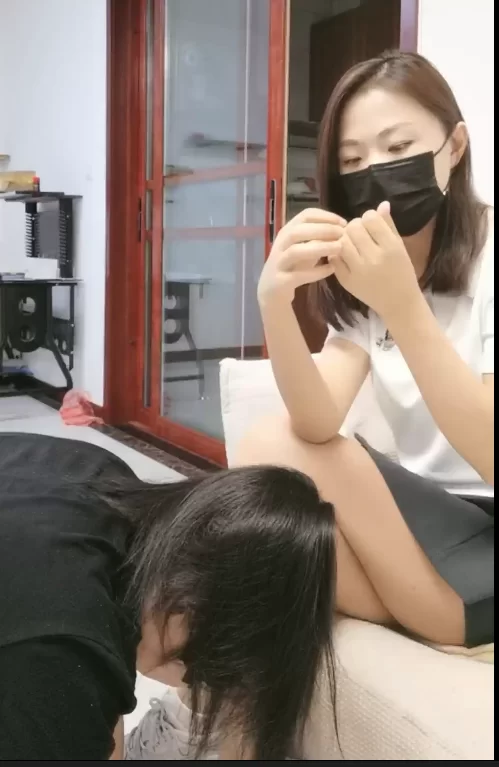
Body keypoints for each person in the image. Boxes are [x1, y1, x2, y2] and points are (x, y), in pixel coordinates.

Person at [237, 50, 494, 656]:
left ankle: (435, 618)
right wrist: (274, 303)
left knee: (281, 541)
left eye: (399, 146)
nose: (375, 171)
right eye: (352, 161)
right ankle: (427, 615)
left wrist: (403, 306)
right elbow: (316, 421)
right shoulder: (368, 262)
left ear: (455, 147)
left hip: (484, 520)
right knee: (268, 446)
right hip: (427, 518)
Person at [0, 431, 336, 761]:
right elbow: (80, 675)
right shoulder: (60, 655)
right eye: (202, 674)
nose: (193, 683)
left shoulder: (101, 473)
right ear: (188, 606)